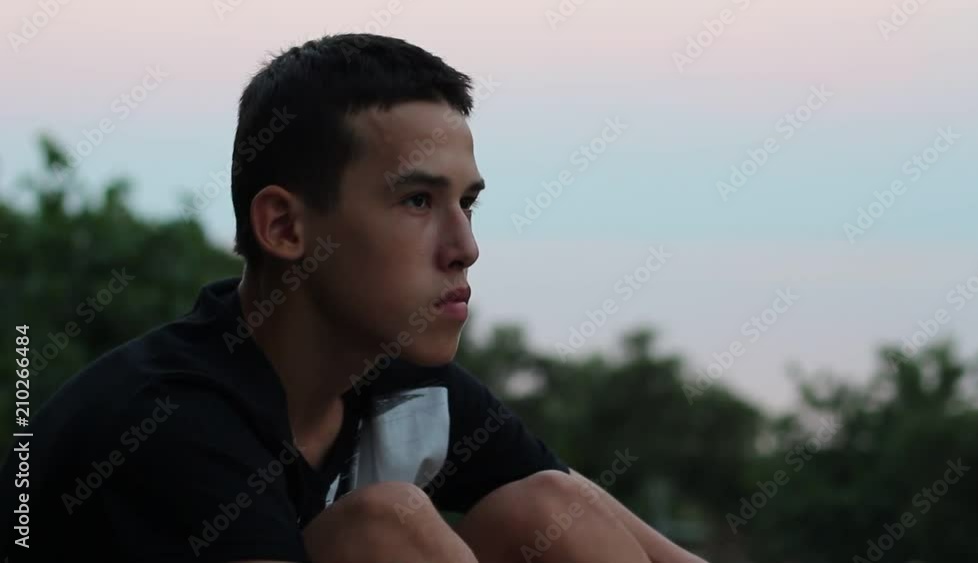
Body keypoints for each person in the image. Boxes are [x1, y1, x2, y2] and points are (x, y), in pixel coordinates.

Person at [0, 33, 706, 563]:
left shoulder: (404, 386)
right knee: (385, 532)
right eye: (418, 200)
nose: (465, 246)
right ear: (284, 227)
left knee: (549, 509)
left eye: (467, 203)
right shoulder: (168, 423)